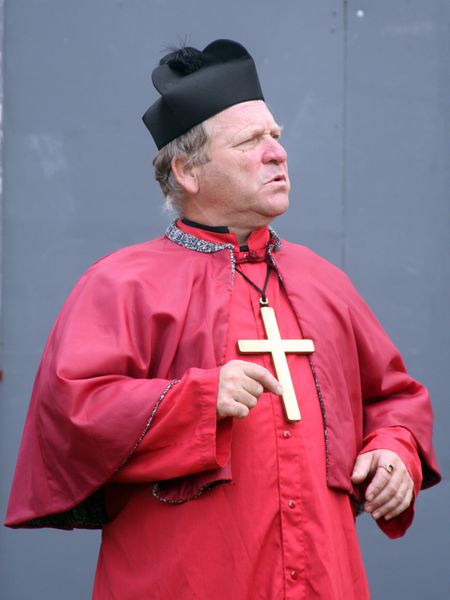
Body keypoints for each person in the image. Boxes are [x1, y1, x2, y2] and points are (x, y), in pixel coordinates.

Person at [6, 39, 440, 599]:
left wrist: (394, 449)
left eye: (277, 137)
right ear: (187, 170)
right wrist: (196, 399)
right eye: (250, 141)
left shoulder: (324, 281)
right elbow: (71, 414)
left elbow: (393, 397)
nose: (277, 153)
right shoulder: (120, 284)